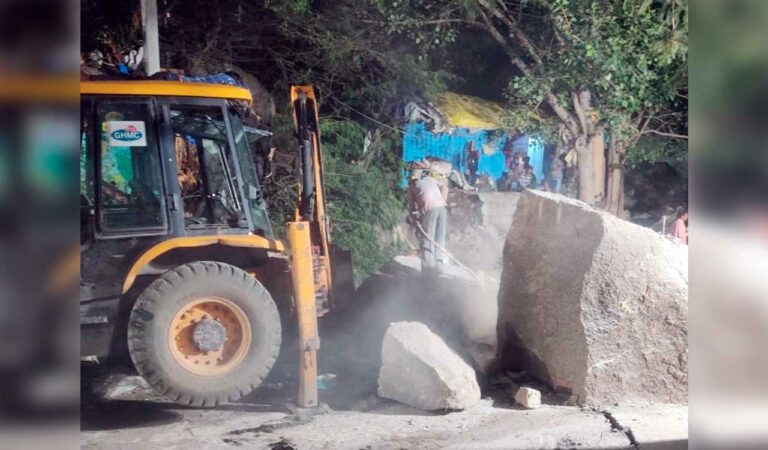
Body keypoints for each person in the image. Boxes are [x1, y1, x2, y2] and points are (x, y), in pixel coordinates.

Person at [407, 170, 449, 273]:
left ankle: (428, 270)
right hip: (442, 209)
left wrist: (414, 221)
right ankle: (439, 267)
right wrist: (442, 200)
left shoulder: (412, 186)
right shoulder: (430, 180)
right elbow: (445, 187)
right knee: (439, 239)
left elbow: (411, 207)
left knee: (427, 239)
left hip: (430, 210)